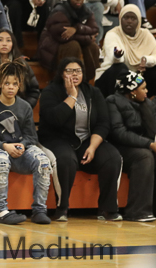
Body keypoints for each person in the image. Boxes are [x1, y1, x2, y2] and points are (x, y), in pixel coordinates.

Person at [39, 57, 123, 222]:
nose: (74, 74)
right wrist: (72, 96)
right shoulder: (51, 91)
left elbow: (103, 123)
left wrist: (92, 146)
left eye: (77, 71)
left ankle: (108, 209)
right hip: (58, 139)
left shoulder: (93, 92)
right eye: (69, 71)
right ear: (61, 74)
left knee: (113, 157)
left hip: (87, 140)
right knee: (65, 159)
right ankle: (62, 208)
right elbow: (54, 120)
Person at [0, 60, 52, 225]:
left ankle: (39, 210)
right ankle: (2, 211)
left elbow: (31, 137)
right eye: (7, 83)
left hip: (18, 151)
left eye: (14, 84)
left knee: (44, 161)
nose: (10, 87)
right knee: (1, 160)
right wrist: (4, 146)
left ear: (19, 86)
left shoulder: (24, 107)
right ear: (0, 83)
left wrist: (22, 144)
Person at [106, 70, 156, 222]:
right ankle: (137, 211)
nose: (147, 91)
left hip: (144, 144)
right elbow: (119, 133)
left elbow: (152, 129)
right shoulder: (112, 101)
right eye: (143, 88)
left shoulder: (147, 103)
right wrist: (149, 144)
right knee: (144, 156)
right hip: (119, 147)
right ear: (132, 91)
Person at [38, 0, 99, 81]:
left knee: (92, 46)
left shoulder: (86, 10)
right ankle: (66, 80)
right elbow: (63, 36)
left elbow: (95, 29)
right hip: (52, 48)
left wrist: (76, 29)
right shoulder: (59, 11)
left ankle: (88, 80)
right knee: (73, 45)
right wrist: (87, 37)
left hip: (73, 41)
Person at [95, 4, 156, 99]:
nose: (129, 21)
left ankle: (151, 100)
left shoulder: (145, 34)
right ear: (120, 19)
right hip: (109, 78)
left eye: (133, 18)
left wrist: (146, 60)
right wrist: (118, 56)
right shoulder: (112, 34)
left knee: (153, 69)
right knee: (120, 68)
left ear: (138, 21)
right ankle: (115, 102)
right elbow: (114, 59)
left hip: (137, 76)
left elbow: (155, 56)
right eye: (126, 18)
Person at [0, 29, 40, 106]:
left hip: (17, 112)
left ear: (13, 44)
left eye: (8, 40)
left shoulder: (22, 65)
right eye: (0, 40)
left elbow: (34, 91)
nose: (4, 44)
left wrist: (24, 108)